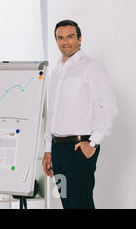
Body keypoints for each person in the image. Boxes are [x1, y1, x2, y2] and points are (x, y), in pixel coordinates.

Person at [42, 20, 117, 209]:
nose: (65, 42)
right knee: (67, 202)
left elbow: (108, 106)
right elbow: (52, 114)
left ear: (79, 39)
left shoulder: (91, 67)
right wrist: (48, 149)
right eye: (60, 38)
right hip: (58, 152)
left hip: (79, 149)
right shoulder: (57, 71)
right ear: (56, 40)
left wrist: (93, 143)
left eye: (70, 36)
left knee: (80, 204)